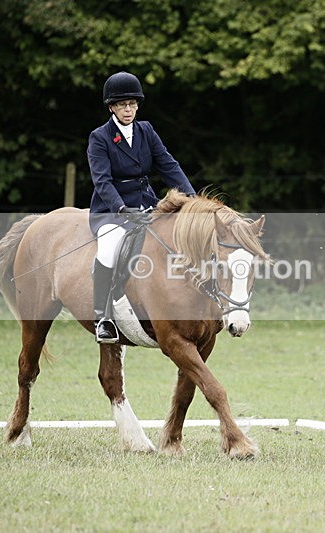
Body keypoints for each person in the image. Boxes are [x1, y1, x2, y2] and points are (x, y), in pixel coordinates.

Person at [87, 71, 196, 343]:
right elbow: (102, 181)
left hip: (147, 205)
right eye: (123, 105)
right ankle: (103, 317)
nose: (128, 109)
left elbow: (168, 165)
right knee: (110, 249)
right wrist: (122, 209)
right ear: (112, 106)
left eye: (133, 104)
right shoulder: (100, 137)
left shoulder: (146, 130)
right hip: (112, 211)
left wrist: (192, 199)